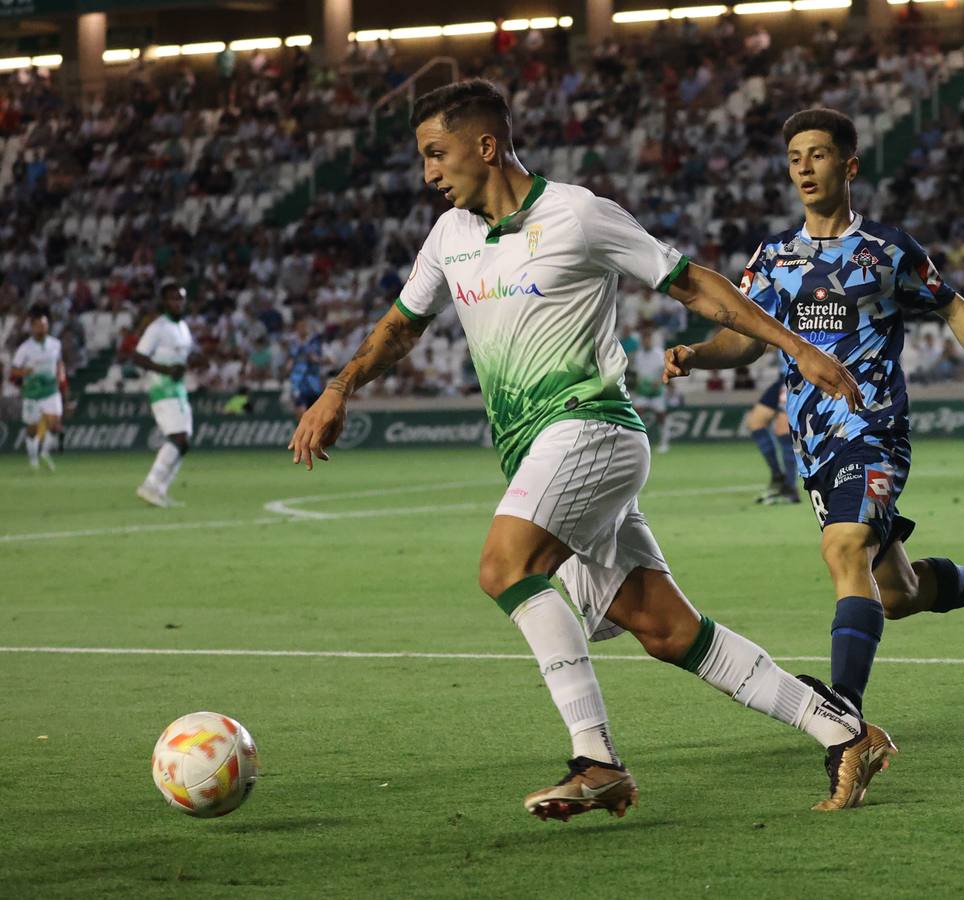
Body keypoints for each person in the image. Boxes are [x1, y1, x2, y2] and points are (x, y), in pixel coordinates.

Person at [287, 80, 892, 819]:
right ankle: (844, 732)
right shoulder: (450, 237)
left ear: (485, 146)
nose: (429, 173)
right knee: (668, 631)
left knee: (504, 566)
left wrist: (797, 348)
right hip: (537, 450)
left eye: (436, 154)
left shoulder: (577, 214)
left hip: (592, 429)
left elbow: (694, 285)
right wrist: (341, 387)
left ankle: (596, 760)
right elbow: (401, 325)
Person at [663, 108, 964, 719]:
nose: (804, 167)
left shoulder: (887, 249)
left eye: (818, 154)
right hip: (815, 443)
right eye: (794, 157)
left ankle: (843, 708)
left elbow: (950, 303)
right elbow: (747, 338)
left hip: (873, 428)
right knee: (898, 594)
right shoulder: (775, 255)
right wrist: (697, 355)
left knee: (844, 549)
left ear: (849, 165)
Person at [133, 283, 201, 507]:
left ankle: (160, 489)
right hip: (162, 389)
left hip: (178, 389)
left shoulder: (183, 327)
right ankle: (150, 485)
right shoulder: (158, 327)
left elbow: (181, 358)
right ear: (164, 302)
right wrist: (166, 370)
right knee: (178, 438)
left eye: (181, 298)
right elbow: (138, 357)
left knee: (184, 442)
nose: (178, 303)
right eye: (173, 299)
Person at [11, 305, 64, 471]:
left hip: (51, 390)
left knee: (55, 425)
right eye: (40, 325)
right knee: (32, 430)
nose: (43, 327)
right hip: (33, 392)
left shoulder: (55, 344)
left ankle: (44, 453)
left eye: (45, 324)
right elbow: (13, 370)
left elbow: (59, 362)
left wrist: (60, 375)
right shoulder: (25, 348)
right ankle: (33, 460)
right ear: (32, 327)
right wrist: (24, 371)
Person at [746, 372, 799, 504]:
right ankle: (778, 476)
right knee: (755, 422)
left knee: (783, 430)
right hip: (783, 377)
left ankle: (790, 488)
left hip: (797, 374)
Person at [632, 323, 676, 453]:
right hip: (643, 392)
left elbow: (665, 372)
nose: (646, 340)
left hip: (657, 392)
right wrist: (639, 382)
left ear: (651, 339)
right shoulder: (639, 355)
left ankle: (664, 442)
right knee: (636, 415)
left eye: (648, 338)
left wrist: (659, 382)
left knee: (661, 416)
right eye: (644, 338)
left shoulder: (659, 354)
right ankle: (637, 443)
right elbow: (638, 374)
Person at [286, 318, 326, 417]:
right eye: (300, 327)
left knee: (315, 415)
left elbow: (319, 359)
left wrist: (313, 358)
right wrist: (289, 368)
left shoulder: (314, 343)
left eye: (304, 327)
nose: (302, 329)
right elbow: (289, 363)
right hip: (299, 383)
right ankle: (301, 431)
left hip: (313, 383)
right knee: (301, 412)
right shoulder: (294, 345)